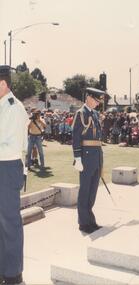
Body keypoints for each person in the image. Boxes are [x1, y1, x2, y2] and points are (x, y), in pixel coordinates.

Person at [0, 65, 29, 284]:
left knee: (9, 221)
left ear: (3, 83)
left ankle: (13, 273)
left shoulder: (14, 108)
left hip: (7, 168)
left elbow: (12, 147)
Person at [72, 87, 105, 234]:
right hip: (85, 156)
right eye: (96, 101)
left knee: (92, 191)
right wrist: (77, 158)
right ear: (89, 98)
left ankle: (90, 220)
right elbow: (76, 137)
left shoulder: (95, 114)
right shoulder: (81, 113)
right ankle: (83, 223)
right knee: (85, 190)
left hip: (96, 156)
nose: (98, 104)